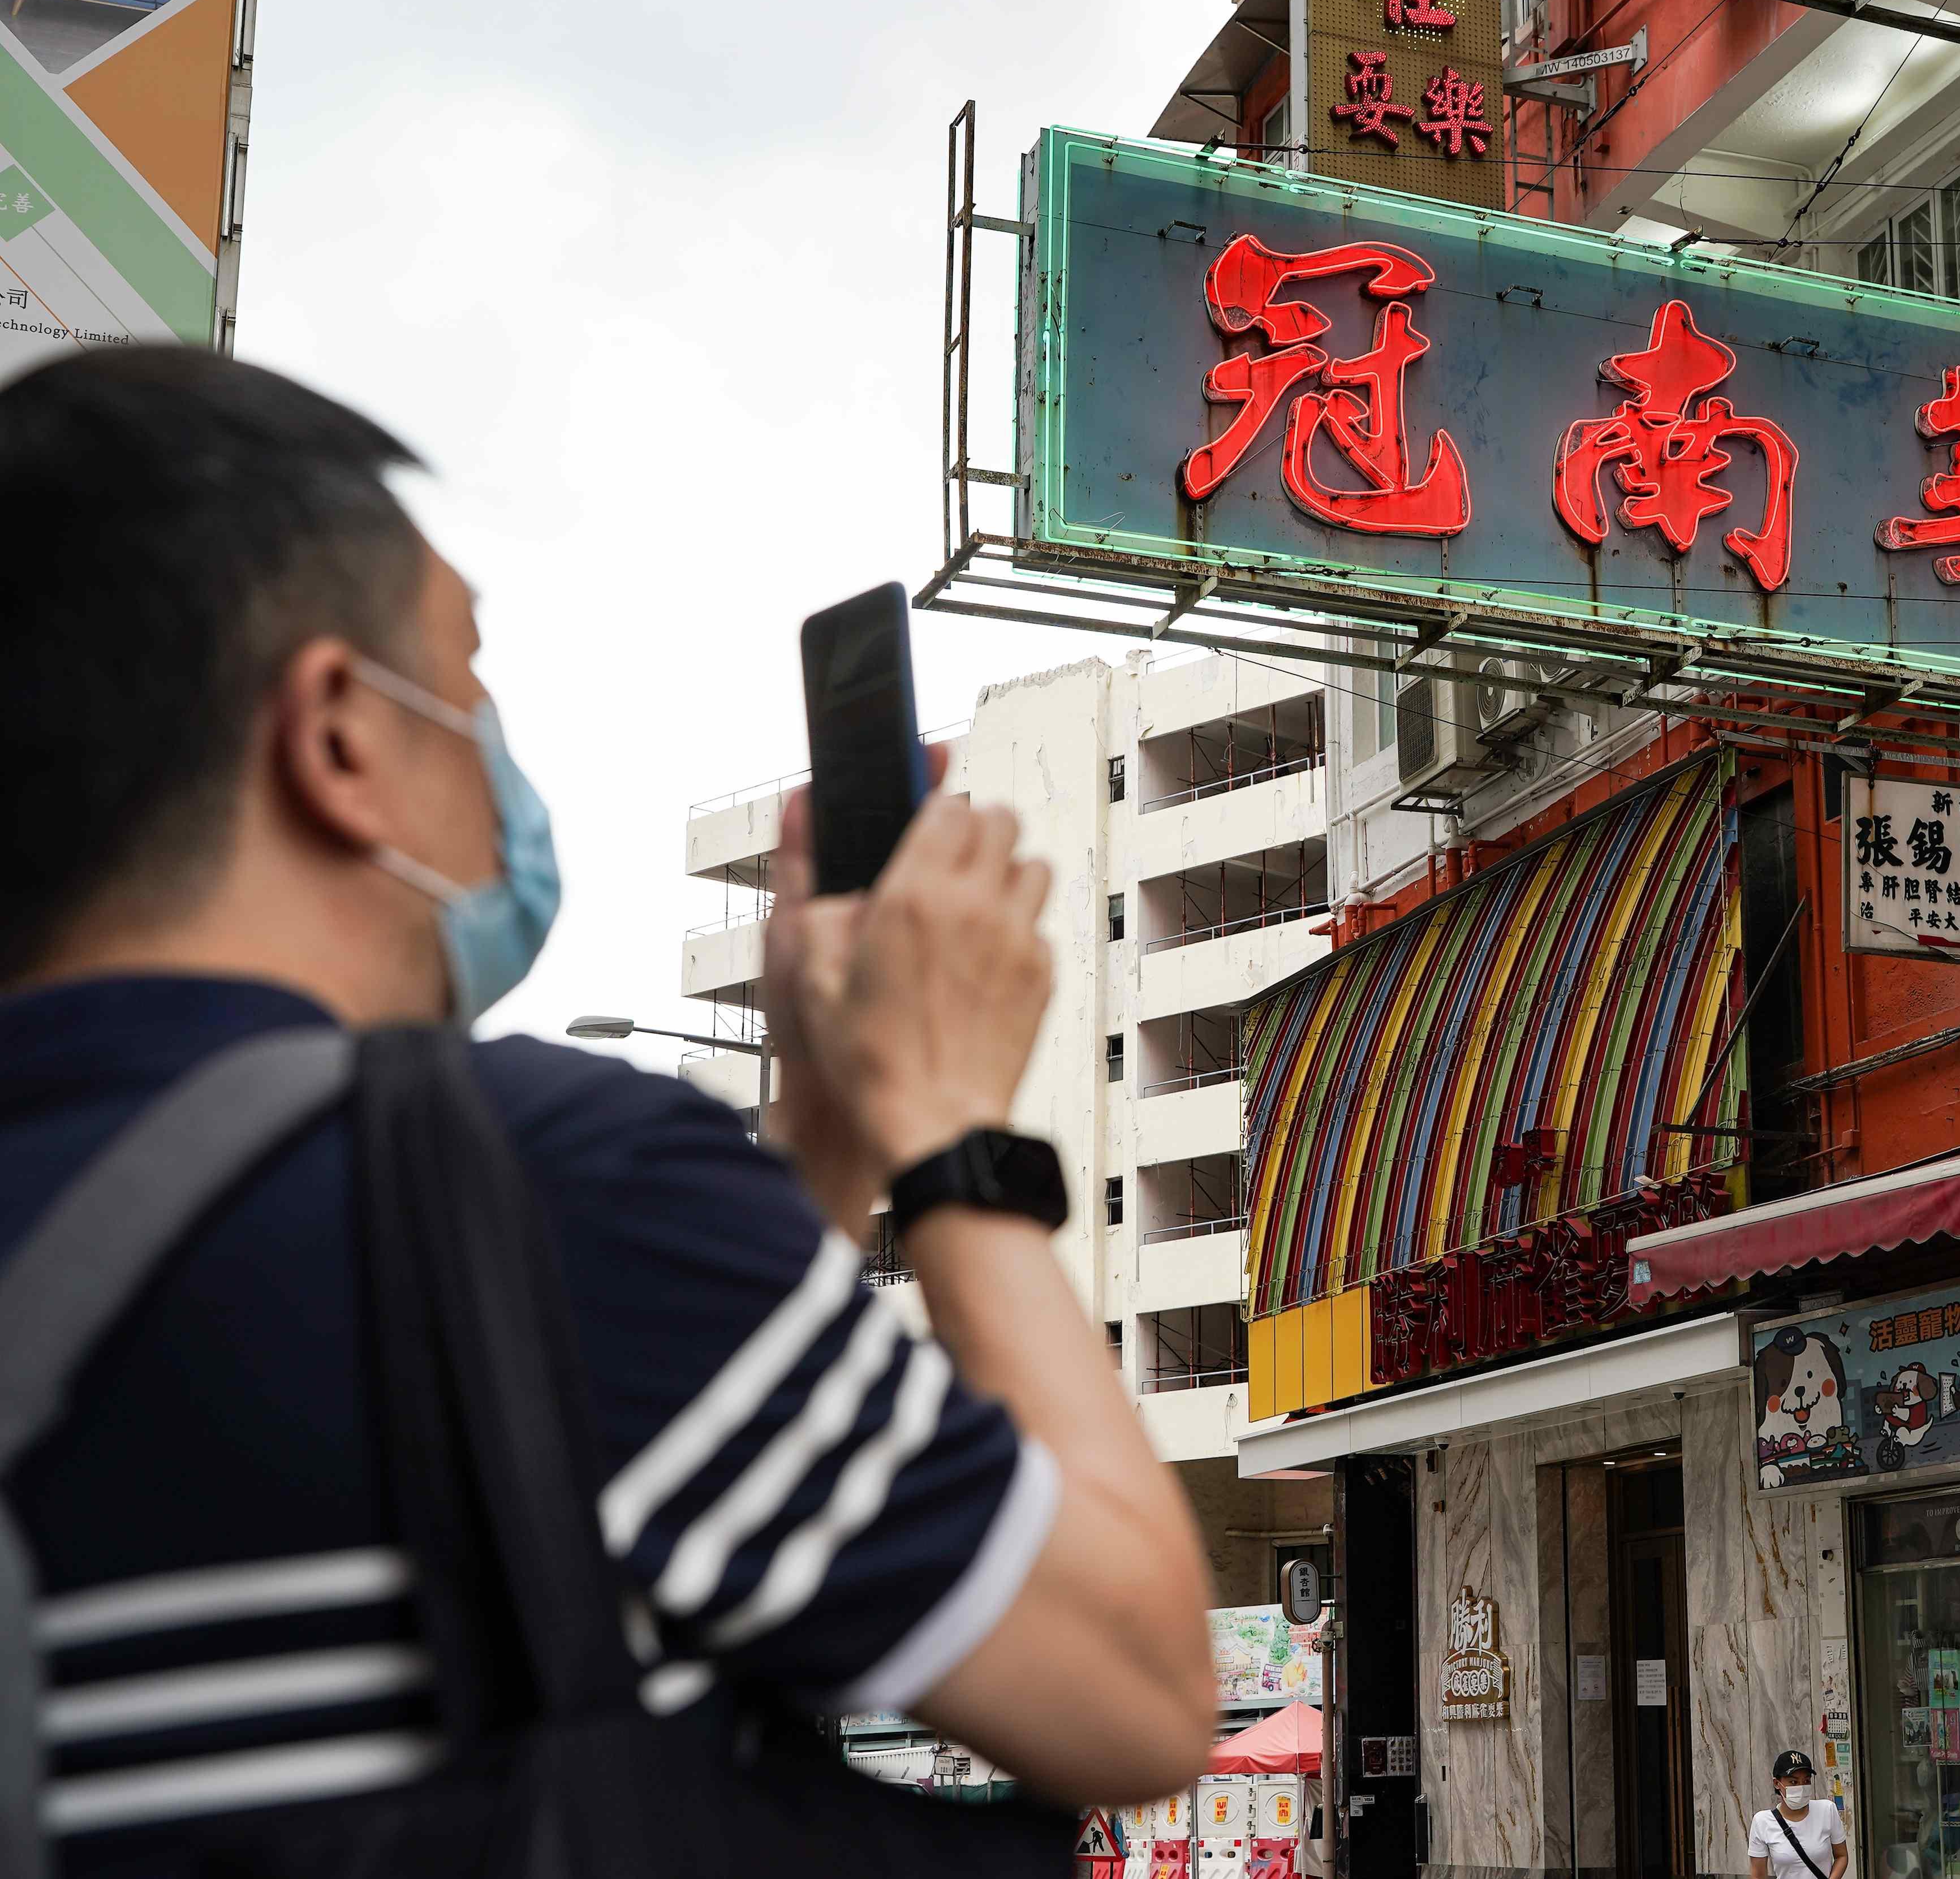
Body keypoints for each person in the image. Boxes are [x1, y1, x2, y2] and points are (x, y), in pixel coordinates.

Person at [0, 349, 1214, 1867]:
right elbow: (1141, 1687)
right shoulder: (529, 1178)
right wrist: (947, 1123)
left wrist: (820, 1143)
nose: (497, 744)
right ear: (338, 737)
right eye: (463, 673)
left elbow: (623, 1420)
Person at [1747, 1749, 1847, 1879]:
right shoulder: (1762, 1821)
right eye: (1794, 1782)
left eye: (1806, 1781)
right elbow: (1758, 1876)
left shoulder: (1827, 1810)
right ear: (1777, 1784)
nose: (1801, 1787)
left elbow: (1842, 1856)